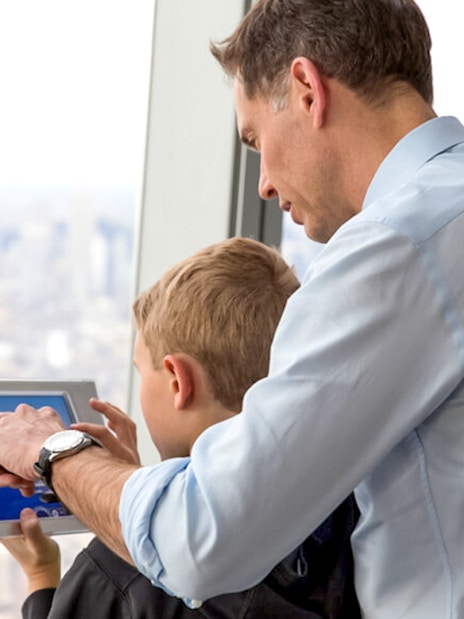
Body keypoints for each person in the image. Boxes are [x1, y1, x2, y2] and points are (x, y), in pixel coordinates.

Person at [0, 0, 463, 616]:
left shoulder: (398, 247)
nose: (265, 183)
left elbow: (201, 540)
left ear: (306, 89)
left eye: (255, 140)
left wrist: (53, 451)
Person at [1, 236, 360, 618]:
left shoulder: (124, 578)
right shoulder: (345, 505)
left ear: (177, 381)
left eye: (143, 372)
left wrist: (42, 577)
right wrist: (134, 485)